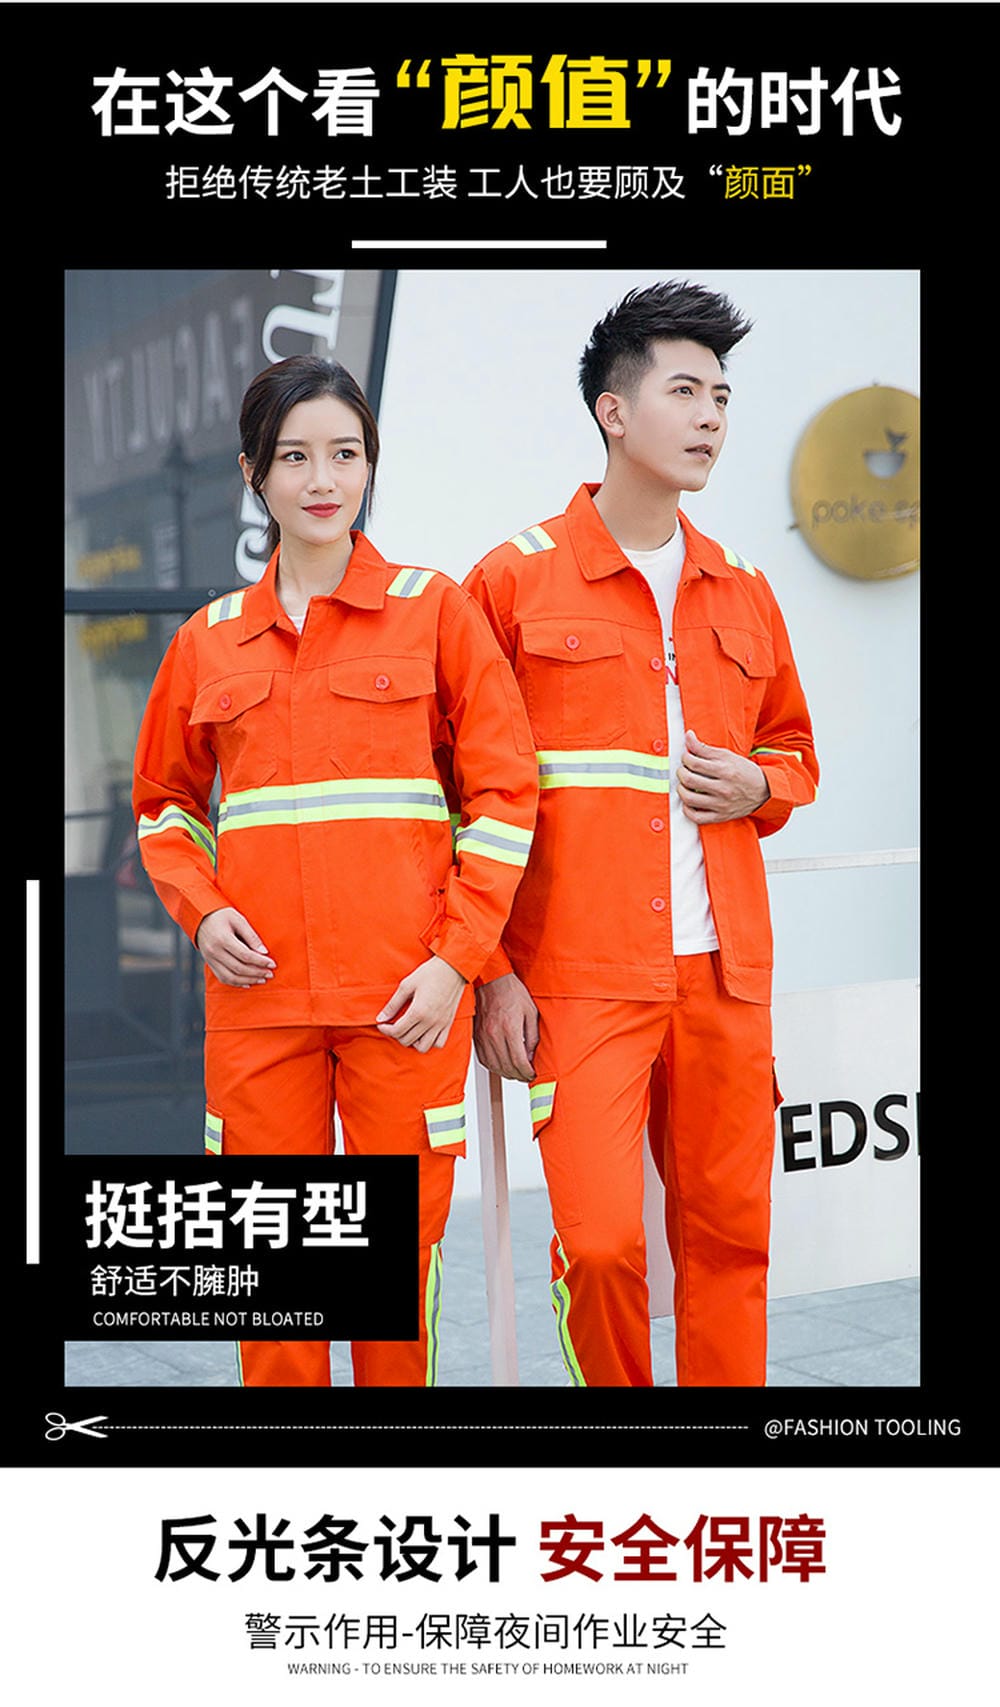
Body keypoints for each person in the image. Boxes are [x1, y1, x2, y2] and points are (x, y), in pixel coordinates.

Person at [133, 354, 538, 1387]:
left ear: (370, 464)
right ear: (253, 473)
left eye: (346, 454)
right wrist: (200, 910)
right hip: (259, 1005)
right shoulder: (207, 643)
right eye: (295, 457)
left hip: (405, 1002)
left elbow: (503, 797)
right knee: (276, 1290)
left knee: (390, 1284)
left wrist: (456, 963)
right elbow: (163, 805)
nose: (324, 479)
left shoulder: (434, 611)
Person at [465, 281, 819, 1387]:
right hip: (579, 978)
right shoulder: (512, 580)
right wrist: (491, 973)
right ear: (614, 412)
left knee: (728, 1241)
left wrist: (758, 785)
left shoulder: (743, 589)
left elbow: (796, 753)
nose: (711, 416)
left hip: (724, 976)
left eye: (722, 396)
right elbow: (461, 791)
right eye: (685, 391)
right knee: (604, 1244)